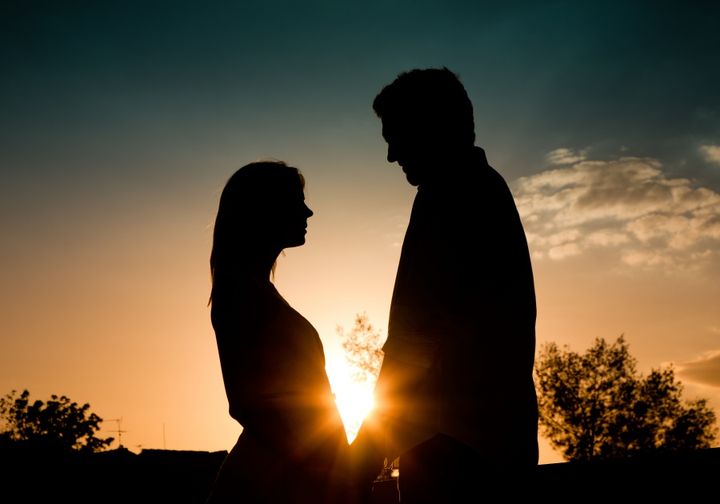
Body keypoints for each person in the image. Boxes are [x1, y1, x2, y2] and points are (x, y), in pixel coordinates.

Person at [354, 68, 539, 502]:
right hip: (489, 442)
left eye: (396, 137)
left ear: (430, 127)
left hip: (454, 449)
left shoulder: (449, 197)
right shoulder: (483, 189)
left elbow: (417, 336)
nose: (391, 156)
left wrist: (365, 452)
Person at [205, 161, 356, 503]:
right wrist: (321, 467)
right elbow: (245, 403)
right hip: (271, 485)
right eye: (297, 202)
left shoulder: (256, 292)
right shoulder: (241, 293)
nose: (308, 212)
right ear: (265, 210)